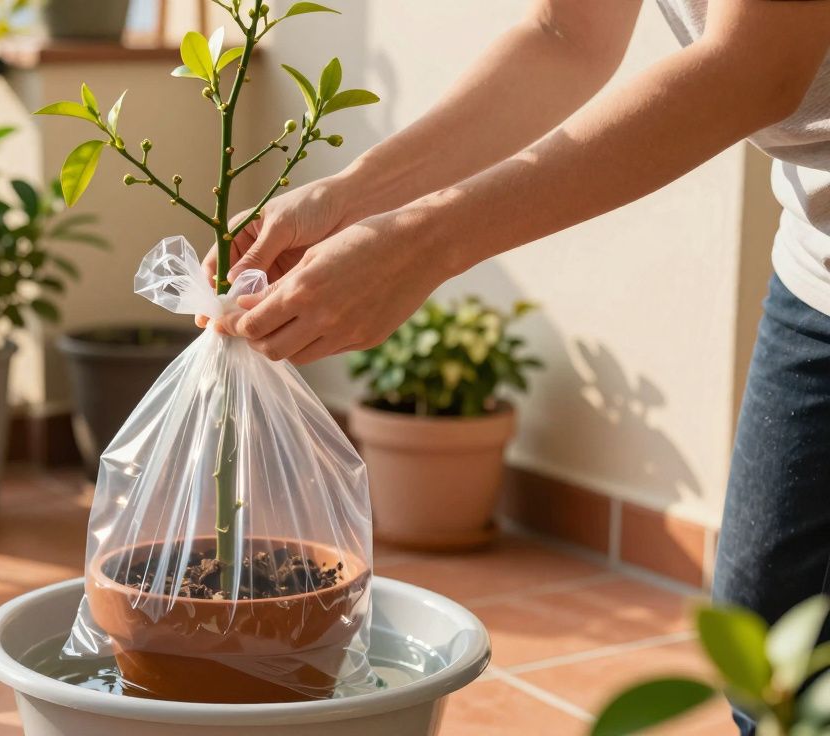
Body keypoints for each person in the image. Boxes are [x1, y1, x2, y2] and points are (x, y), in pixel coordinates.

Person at [203, 1, 830, 733]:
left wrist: (420, 246)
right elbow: (565, 37)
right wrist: (351, 199)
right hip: (816, 259)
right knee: (772, 629)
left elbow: (752, 70)